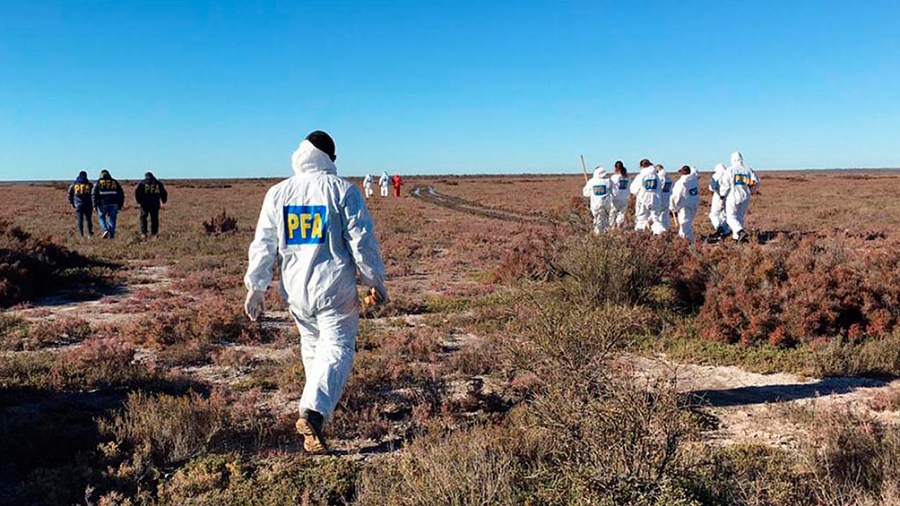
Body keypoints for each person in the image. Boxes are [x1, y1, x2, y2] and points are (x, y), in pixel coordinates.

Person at [243, 130, 388, 455]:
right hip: (335, 289)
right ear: (330, 158)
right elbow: (362, 242)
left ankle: (316, 416)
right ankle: (315, 412)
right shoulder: (342, 191)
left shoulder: (278, 193)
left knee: (312, 349)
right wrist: (375, 281)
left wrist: (256, 287)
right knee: (338, 348)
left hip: (296, 292)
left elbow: (263, 244)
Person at [718, 151, 760, 242]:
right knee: (739, 217)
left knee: (730, 218)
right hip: (745, 196)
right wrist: (751, 190)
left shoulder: (730, 170)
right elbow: (756, 181)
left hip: (733, 195)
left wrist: (722, 195)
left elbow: (725, 184)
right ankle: (737, 238)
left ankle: (740, 231)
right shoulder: (748, 170)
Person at [629, 159, 665, 234]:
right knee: (655, 218)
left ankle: (640, 234)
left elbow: (633, 189)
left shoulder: (641, 176)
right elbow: (660, 187)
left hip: (643, 199)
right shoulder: (656, 176)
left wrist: (639, 194)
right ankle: (660, 233)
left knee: (641, 218)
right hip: (655, 199)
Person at [670, 165, 700, 242]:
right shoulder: (694, 180)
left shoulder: (680, 183)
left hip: (684, 206)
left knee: (684, 223)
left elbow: (676, 196)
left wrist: (673, 207)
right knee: (687, 223)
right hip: (694, 204)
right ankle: (681, 239)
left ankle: (688, 241)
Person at [92, 169, 125, 239]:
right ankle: (111, 235)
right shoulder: (115, 182)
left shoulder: (98, 183)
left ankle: (105, 229)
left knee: (101, 217)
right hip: (114, 203)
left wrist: (94, 204)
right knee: (112, 219)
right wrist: (120, 204)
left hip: (102, 204)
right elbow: (121, 193)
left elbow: (94, 194)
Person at [134, 172, 169, 237]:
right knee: (154, 218)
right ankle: (154, 233)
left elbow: (137, 192)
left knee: (143, 218)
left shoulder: (142, 183)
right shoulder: (158, 183)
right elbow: (163, 192)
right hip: (155, 203)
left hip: (145, 204)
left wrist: (138, 201)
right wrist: (164, 200)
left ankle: (144, 233)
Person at [582, 166, 612, 234]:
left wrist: (590, 191)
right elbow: (613, 191)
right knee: (606, 220)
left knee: (597, 220)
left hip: (596, 205)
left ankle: (598, 236)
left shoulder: (592, 181)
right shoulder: (608, 181)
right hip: (606, 204)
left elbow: (585, 193)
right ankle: (606, 234)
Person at [67, 170, 94, 237]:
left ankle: (81, 234)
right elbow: (93, 194)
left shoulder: (74, 184)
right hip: (88, 205)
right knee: (88, 219)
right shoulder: (89, 185)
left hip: (78, 205)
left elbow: (69, 194)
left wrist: (72, 203)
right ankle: (90, 233)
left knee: (80, 220)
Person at [708, 163, 730, 238]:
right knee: (724, 214)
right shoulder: (729, 174)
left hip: (718, 196)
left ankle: (719, 227)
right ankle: (725, 230)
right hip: (728, 196)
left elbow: (711, 187)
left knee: (714, 214)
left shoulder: (716, 176)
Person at [608, 161, 630, 228]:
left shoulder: (614, 177)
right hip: (624, 198)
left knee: (612, 213)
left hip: (615, 197)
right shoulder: (627, 178)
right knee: (622, 213)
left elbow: (610, 187)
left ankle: (612, 227)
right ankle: (619, 225)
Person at [657, 165, 673, 231]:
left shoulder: (659, 178)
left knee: (659, 216)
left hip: (660, 199)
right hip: (667, 199)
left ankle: (661, 231)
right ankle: (667, 229)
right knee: (666, 216)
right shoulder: (669, 178)